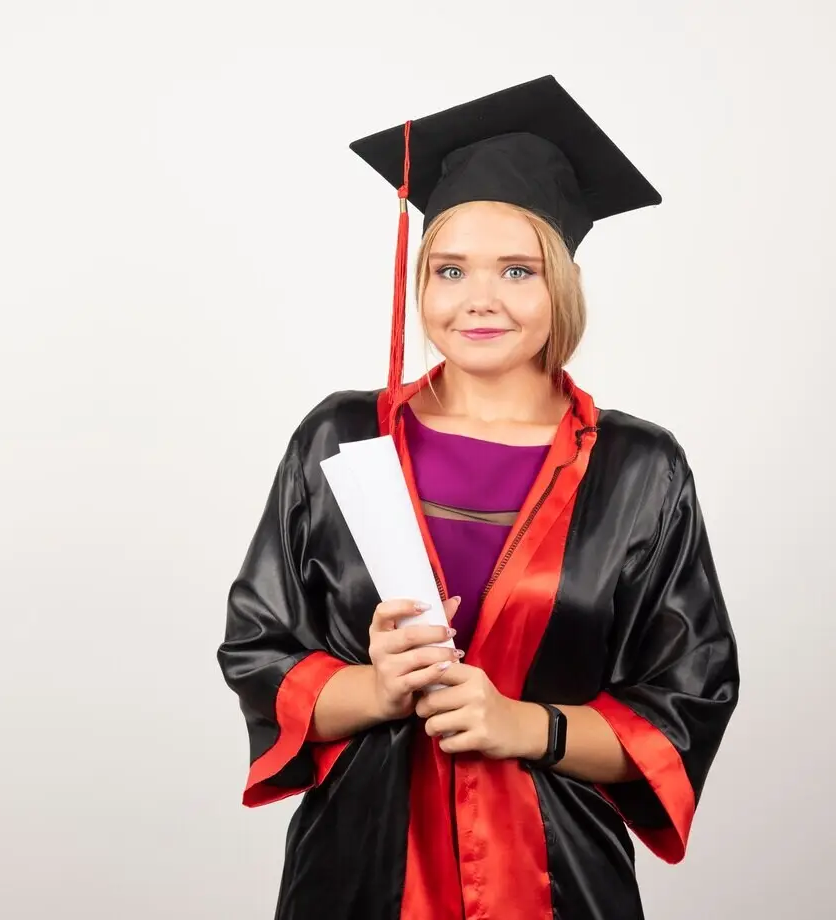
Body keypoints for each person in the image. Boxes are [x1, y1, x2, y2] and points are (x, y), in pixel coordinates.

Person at [217, 75, 739, 920]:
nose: (478, 299)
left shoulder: (637, 469)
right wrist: (377, 690)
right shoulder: (345, 440)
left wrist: (523, 725)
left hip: (554, 874)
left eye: (517, 270)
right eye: (450, 268)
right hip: (357, 868)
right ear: (421, 280)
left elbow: (684, 698)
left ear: (560, 285)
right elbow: (259, 648)